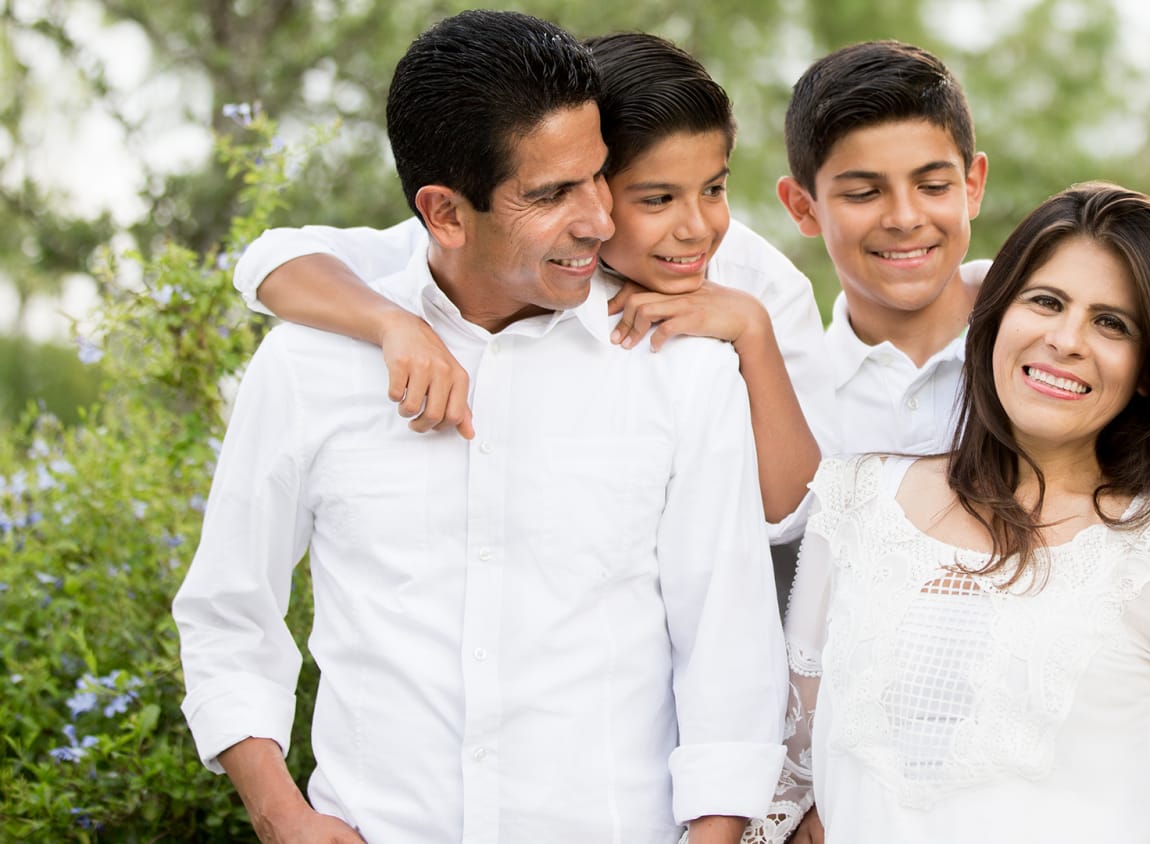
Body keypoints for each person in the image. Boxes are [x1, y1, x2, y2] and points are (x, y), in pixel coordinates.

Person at [173, 12, 786, 843]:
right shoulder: (308, 367)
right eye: (551, 195)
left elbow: (729, 650)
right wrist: (281, 814)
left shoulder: (681, 365)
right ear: (446, 213)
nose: (600, 221)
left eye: (600, 177)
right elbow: (229, 612)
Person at [757, 181, 1150, 843]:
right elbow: (792, 779)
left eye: (1113, 323)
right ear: (995, 317)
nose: (1067, 339)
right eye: (1046, 301)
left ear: (1147, 368)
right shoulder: (856, 502)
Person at [770, 41, 1150, 842]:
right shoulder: (784, 391)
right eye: (863, 191)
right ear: (803, 206)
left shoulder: (1056, 348)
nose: (903, 216)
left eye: (932, 184)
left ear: (973, 183)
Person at [229, 32, 834, 543]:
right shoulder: (525, 248)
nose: (696, 227)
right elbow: (274, 259)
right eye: (653, 198)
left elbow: (791, 517)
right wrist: (394, 323)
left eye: (714, 189)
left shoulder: (757, 280)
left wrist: (752, 332)